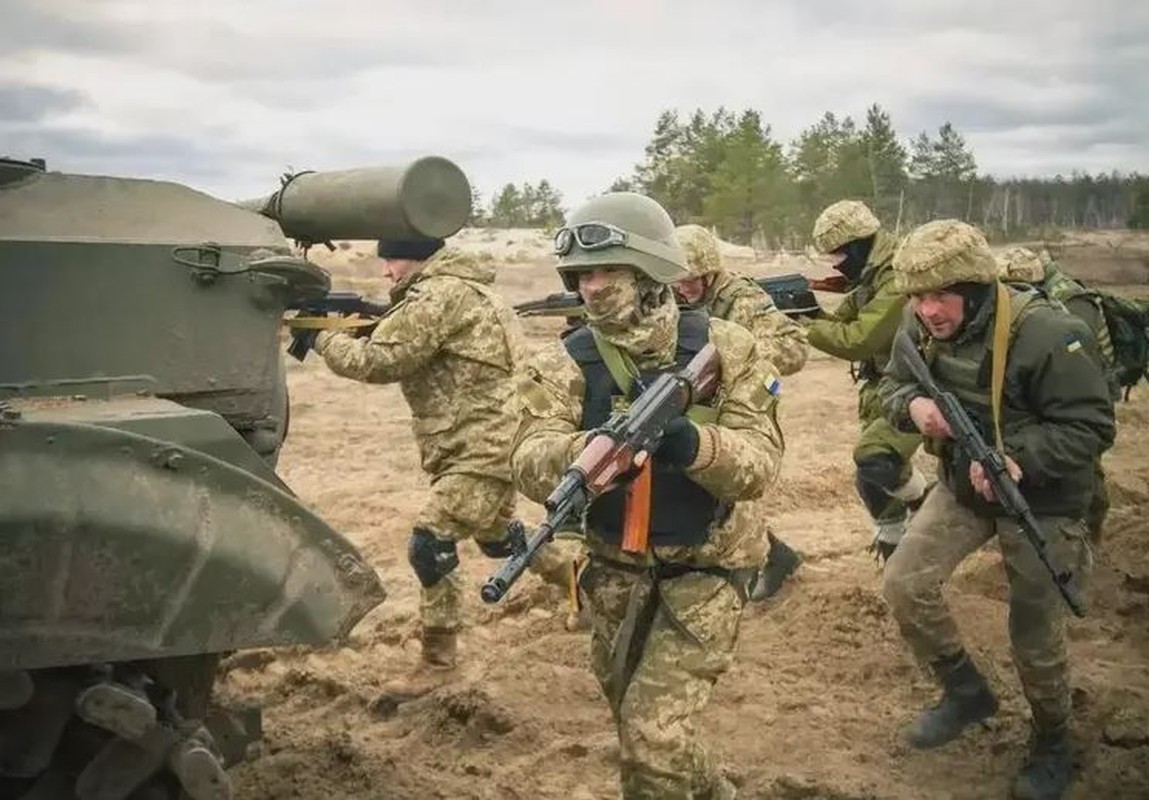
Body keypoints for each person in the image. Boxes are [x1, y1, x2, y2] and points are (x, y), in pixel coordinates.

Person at [511, 192, 785, 799]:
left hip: (709, 567)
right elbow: (528, 460)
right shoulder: (565, 362)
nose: (593, 286)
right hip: (613, 567)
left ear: (649, 273)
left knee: (652, 738)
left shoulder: (728, 347)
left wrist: (689, 444)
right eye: (582, 274)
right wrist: (592, 449)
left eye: (607, 270)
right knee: (640, 732)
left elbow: (760, 467)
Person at [879, 220, 1115, 800]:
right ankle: (964, 691)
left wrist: (1020, 460)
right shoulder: (920, 325)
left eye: (939, 296)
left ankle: (1053, 738)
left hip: (1045, 497)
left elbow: (1093, 425)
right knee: (905, 582)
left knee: (1033, 630)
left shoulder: (1048, 334)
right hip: (964, 483)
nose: (926, 309)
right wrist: (912, 409)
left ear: (977, 286)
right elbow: (891, 385)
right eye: (917, 296)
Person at [312, 235, 570, 675]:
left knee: (430, 542)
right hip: (484, 440)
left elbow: (378, 362)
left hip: (482, 445)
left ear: (417, 258)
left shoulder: (439, 293)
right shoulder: (463, 287)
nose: (385, 271)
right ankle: (577, 576)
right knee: (496, 539)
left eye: (391, 259)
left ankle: (437, 661)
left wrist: (320, 338)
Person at [674, 223, 807, 599]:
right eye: (678, 281)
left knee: (735, 481)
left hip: (748, 399)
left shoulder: (742, 299)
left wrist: (732, 357)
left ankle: (768, 558)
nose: (683, 289)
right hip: (708, 403)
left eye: (692, 281)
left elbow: (794, 347)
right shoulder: (684, 298)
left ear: (711, 271)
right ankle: (772, 555)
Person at [805, 200, 926, 560]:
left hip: (916, 385)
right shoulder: (869, 275)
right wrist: (798, 308)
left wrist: (805, 322)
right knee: (872, 477)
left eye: (837, 256)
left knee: (876, 462)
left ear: (856, 246)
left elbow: (858, 340)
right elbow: (841, 321)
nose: (835, 265)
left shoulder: (896, 276)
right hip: (884, 386)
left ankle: (926, 501)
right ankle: (893, 543)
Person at [998, 246, 1117, 541]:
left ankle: (1087, 529)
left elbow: (1078, 361)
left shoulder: (1068, 305)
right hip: (1053, 385)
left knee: (1083, 462)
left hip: (1087, 383)